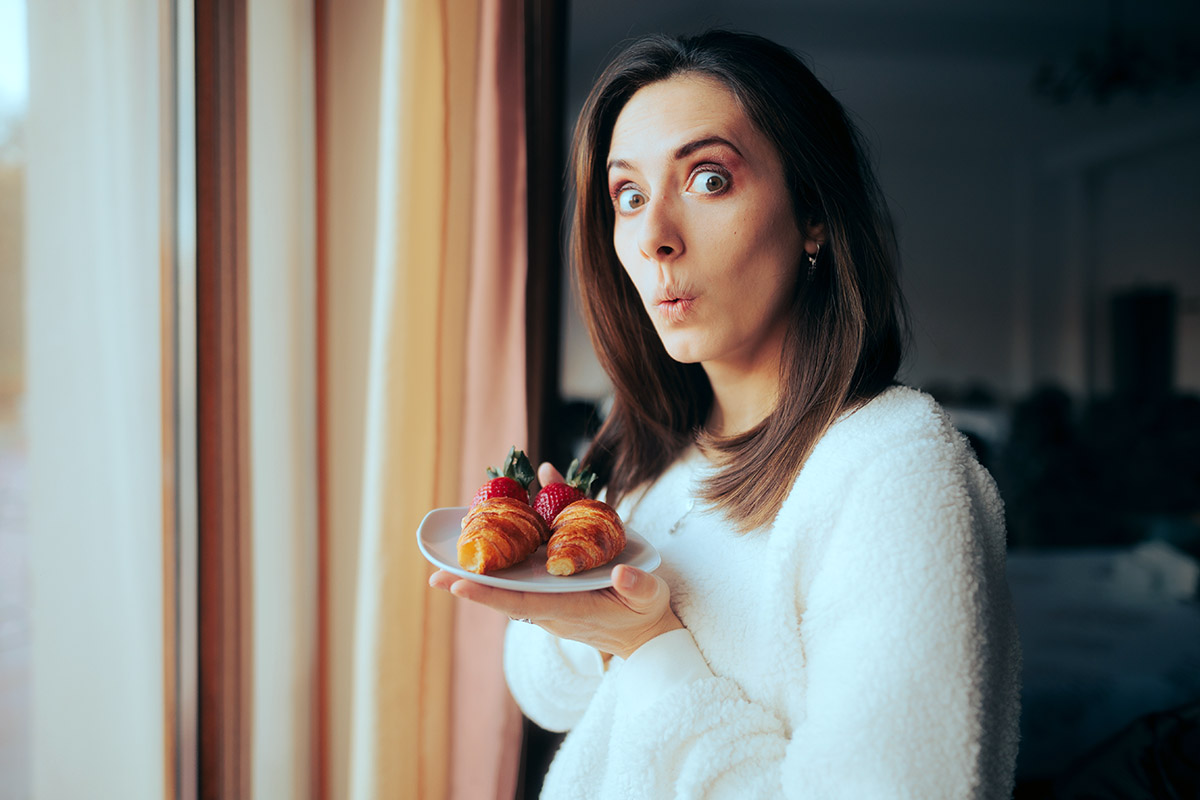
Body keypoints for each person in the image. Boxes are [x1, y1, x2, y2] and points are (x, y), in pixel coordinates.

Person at [430, 29, 1021, 799]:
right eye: (629, 197)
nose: (653, 238)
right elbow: (552, 695)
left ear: (812, 213)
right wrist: (563, 578)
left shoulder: (891, 471)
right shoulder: (653, 453)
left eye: (709, 179)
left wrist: (651, 647)